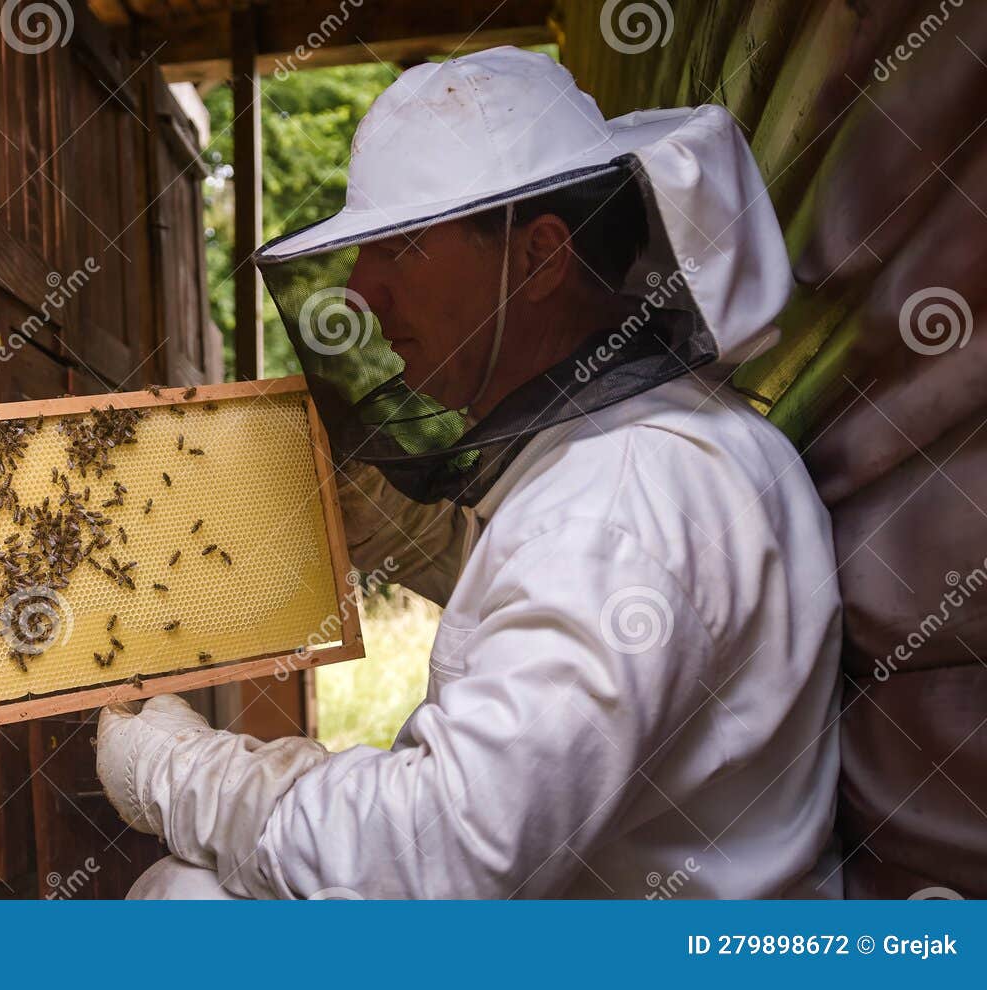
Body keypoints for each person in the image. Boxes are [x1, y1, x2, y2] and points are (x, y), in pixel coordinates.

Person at [95, 47, 843, 899]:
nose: (360, 291)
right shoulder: (640, 450)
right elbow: (542, 594)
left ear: (540, 257)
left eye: (400, 246)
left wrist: (179, 773)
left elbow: (440, 851)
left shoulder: (621, 504)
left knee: (184, 900)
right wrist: (378, 518)